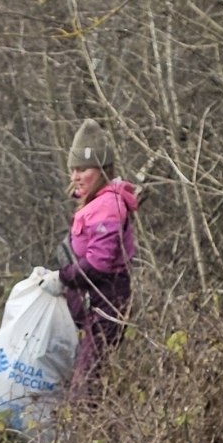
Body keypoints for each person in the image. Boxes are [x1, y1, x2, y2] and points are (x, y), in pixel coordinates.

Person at [57, 120, 139, 397]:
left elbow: (99, 263)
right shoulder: (95, 203)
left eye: (83, 169)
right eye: (73, 170)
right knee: (83, 377)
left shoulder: (108, 206)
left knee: (87, 384)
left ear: (102, 170)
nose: (76, 176)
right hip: (91, 304)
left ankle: (94, 436)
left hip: (107, 303)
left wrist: (61, 277)